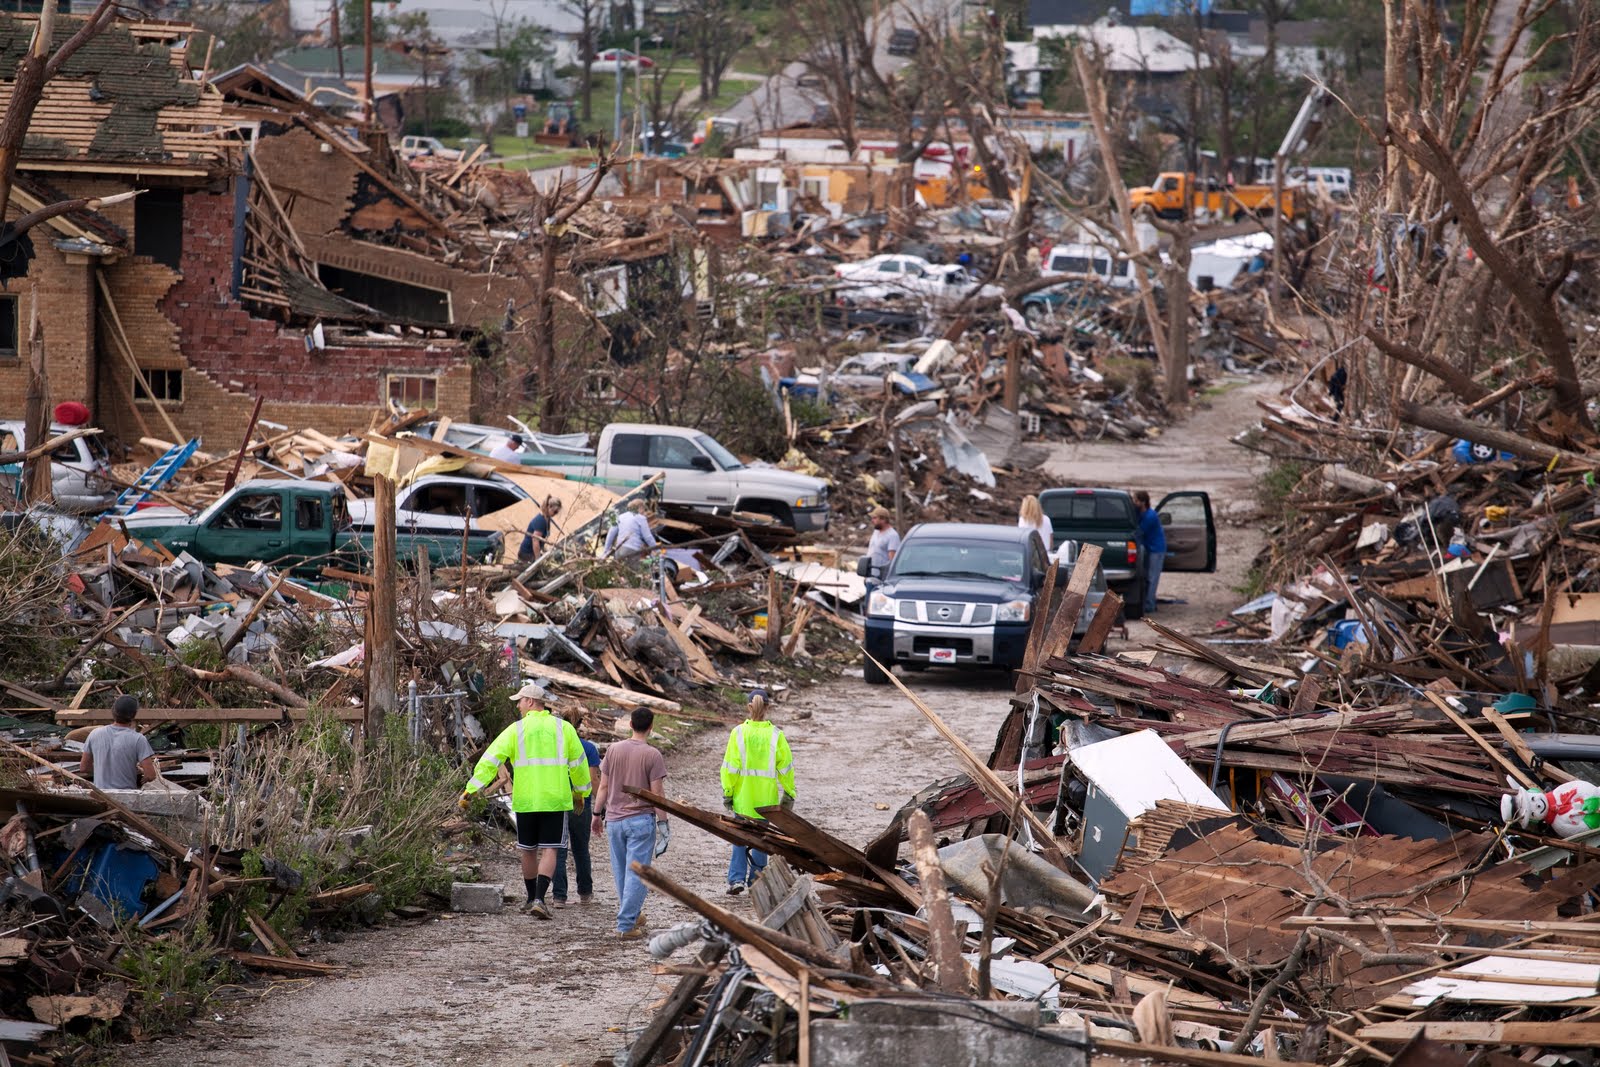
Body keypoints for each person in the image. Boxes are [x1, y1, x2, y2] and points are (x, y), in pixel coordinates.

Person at [460, 681, 590, 919]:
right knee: (551, 849)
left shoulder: (516, 730)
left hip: (526, 800)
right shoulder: (564, 729)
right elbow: (579, 764)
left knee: (528, 850)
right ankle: (540, 899)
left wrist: (471, 789)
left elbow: (491, 759)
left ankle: (530, 898)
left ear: (531, 702)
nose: (518, 706)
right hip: (555, 799)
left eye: (520, 701)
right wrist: (581, 792)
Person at [592, 707, 668, 940]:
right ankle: (625, 925)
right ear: (651, 727)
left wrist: (596, 814)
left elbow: (603, 786)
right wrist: (664, 824)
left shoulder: (613, 750)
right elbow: (657, 794)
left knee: (621, 871)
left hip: (614, 820)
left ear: (630, 725)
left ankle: (632, 915)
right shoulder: (652, 755)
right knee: (637, 873)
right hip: (640, 821)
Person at [721, 690, 795, 895]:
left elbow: (729, 767)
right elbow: (786, 767)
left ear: (748, 707)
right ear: (768, 707)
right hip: (766, 800)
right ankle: (757, 881)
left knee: (739, 838)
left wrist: (728, 792)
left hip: (743, 799)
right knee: (762, 841)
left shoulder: (738, 733)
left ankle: (736, 880)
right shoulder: (776, 735)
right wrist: (789, 793)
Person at [551, 707, 601, 908]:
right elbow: (592, 779)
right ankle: (585, 894)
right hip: (581, 803)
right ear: (580, 725)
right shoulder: (588, 748)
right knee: (581, 850)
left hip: (556, 802)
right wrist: (601, 804)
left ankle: (559, 897)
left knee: (558, 850)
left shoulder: (553, 747)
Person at [79, 695, 158, 790]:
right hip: (127, 797)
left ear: (113, 711)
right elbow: (150, 775)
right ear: (134, 715)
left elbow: (84, 768)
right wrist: (143, 779)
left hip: (101, 795)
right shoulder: (138, 739)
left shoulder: (95, 734)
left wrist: (103, 770)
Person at [1133, 490, 1167, 616]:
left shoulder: (1150, 516)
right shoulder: (1141, 513)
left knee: (1152, 578)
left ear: (1142, 502)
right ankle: (1149, 601)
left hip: (1156, 550)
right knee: (1147, 577)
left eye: (1136, 500)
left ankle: (1150, 605)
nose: (1134, 502)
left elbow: (1139, 532)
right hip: (1149, 548)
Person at [518, 496, 564, 562]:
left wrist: (544, 551)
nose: (555, 514)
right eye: (555, 511)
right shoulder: (541, 521)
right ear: (549, 507)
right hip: (527, 554)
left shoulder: (547, 518)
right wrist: (538, 559)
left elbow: (541, 540)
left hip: (531, 552)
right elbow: (535, 540)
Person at [866, 505, 900, 580]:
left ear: (883, 519)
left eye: (875, 518)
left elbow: (893, 560)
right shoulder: (876, 532)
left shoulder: (892, 535)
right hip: (870, 577)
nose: (872, 520)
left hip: (881, 579)